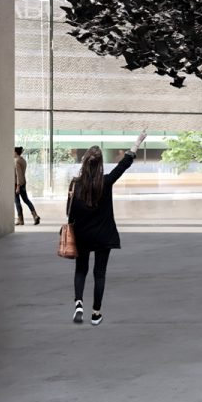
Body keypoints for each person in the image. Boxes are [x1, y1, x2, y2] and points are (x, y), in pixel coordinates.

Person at [66, 131, 145, 326]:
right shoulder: (106, 182)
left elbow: (70, 213)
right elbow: (124, 164)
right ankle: (95, 313)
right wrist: (137, 142)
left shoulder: (75, 185)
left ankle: (78, 303)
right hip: (103, 235)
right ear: (100, 163)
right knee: (99, 274)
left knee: (80, 271)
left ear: (85, 162)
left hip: (82, 235)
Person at [13, 146, 40, 227]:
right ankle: (35, 216)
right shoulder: (23, 160)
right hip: (23, 183)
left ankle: (20, 220)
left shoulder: (17, 161)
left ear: (16, 152)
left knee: (17, 202)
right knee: (26, 200)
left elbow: (18, 175)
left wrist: (18, 186)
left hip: (17, 183)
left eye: (13, 151)